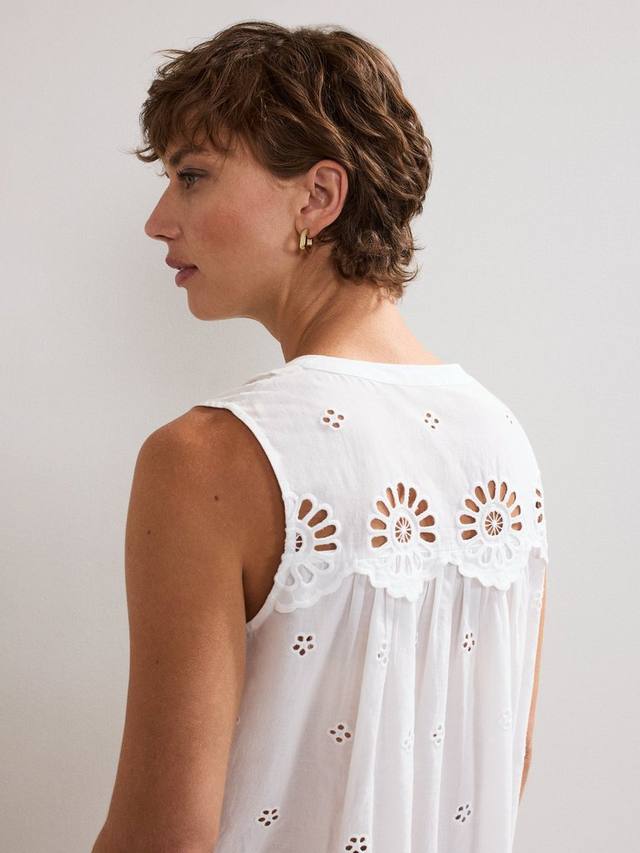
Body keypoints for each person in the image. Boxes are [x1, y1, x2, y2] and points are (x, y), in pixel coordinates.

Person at [92, 20, 548, 853]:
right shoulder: (504, 442)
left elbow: (162, 838)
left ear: (317, 197)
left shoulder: (205, 459)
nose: (158, 221)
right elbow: (495, 769)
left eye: (192, 175)